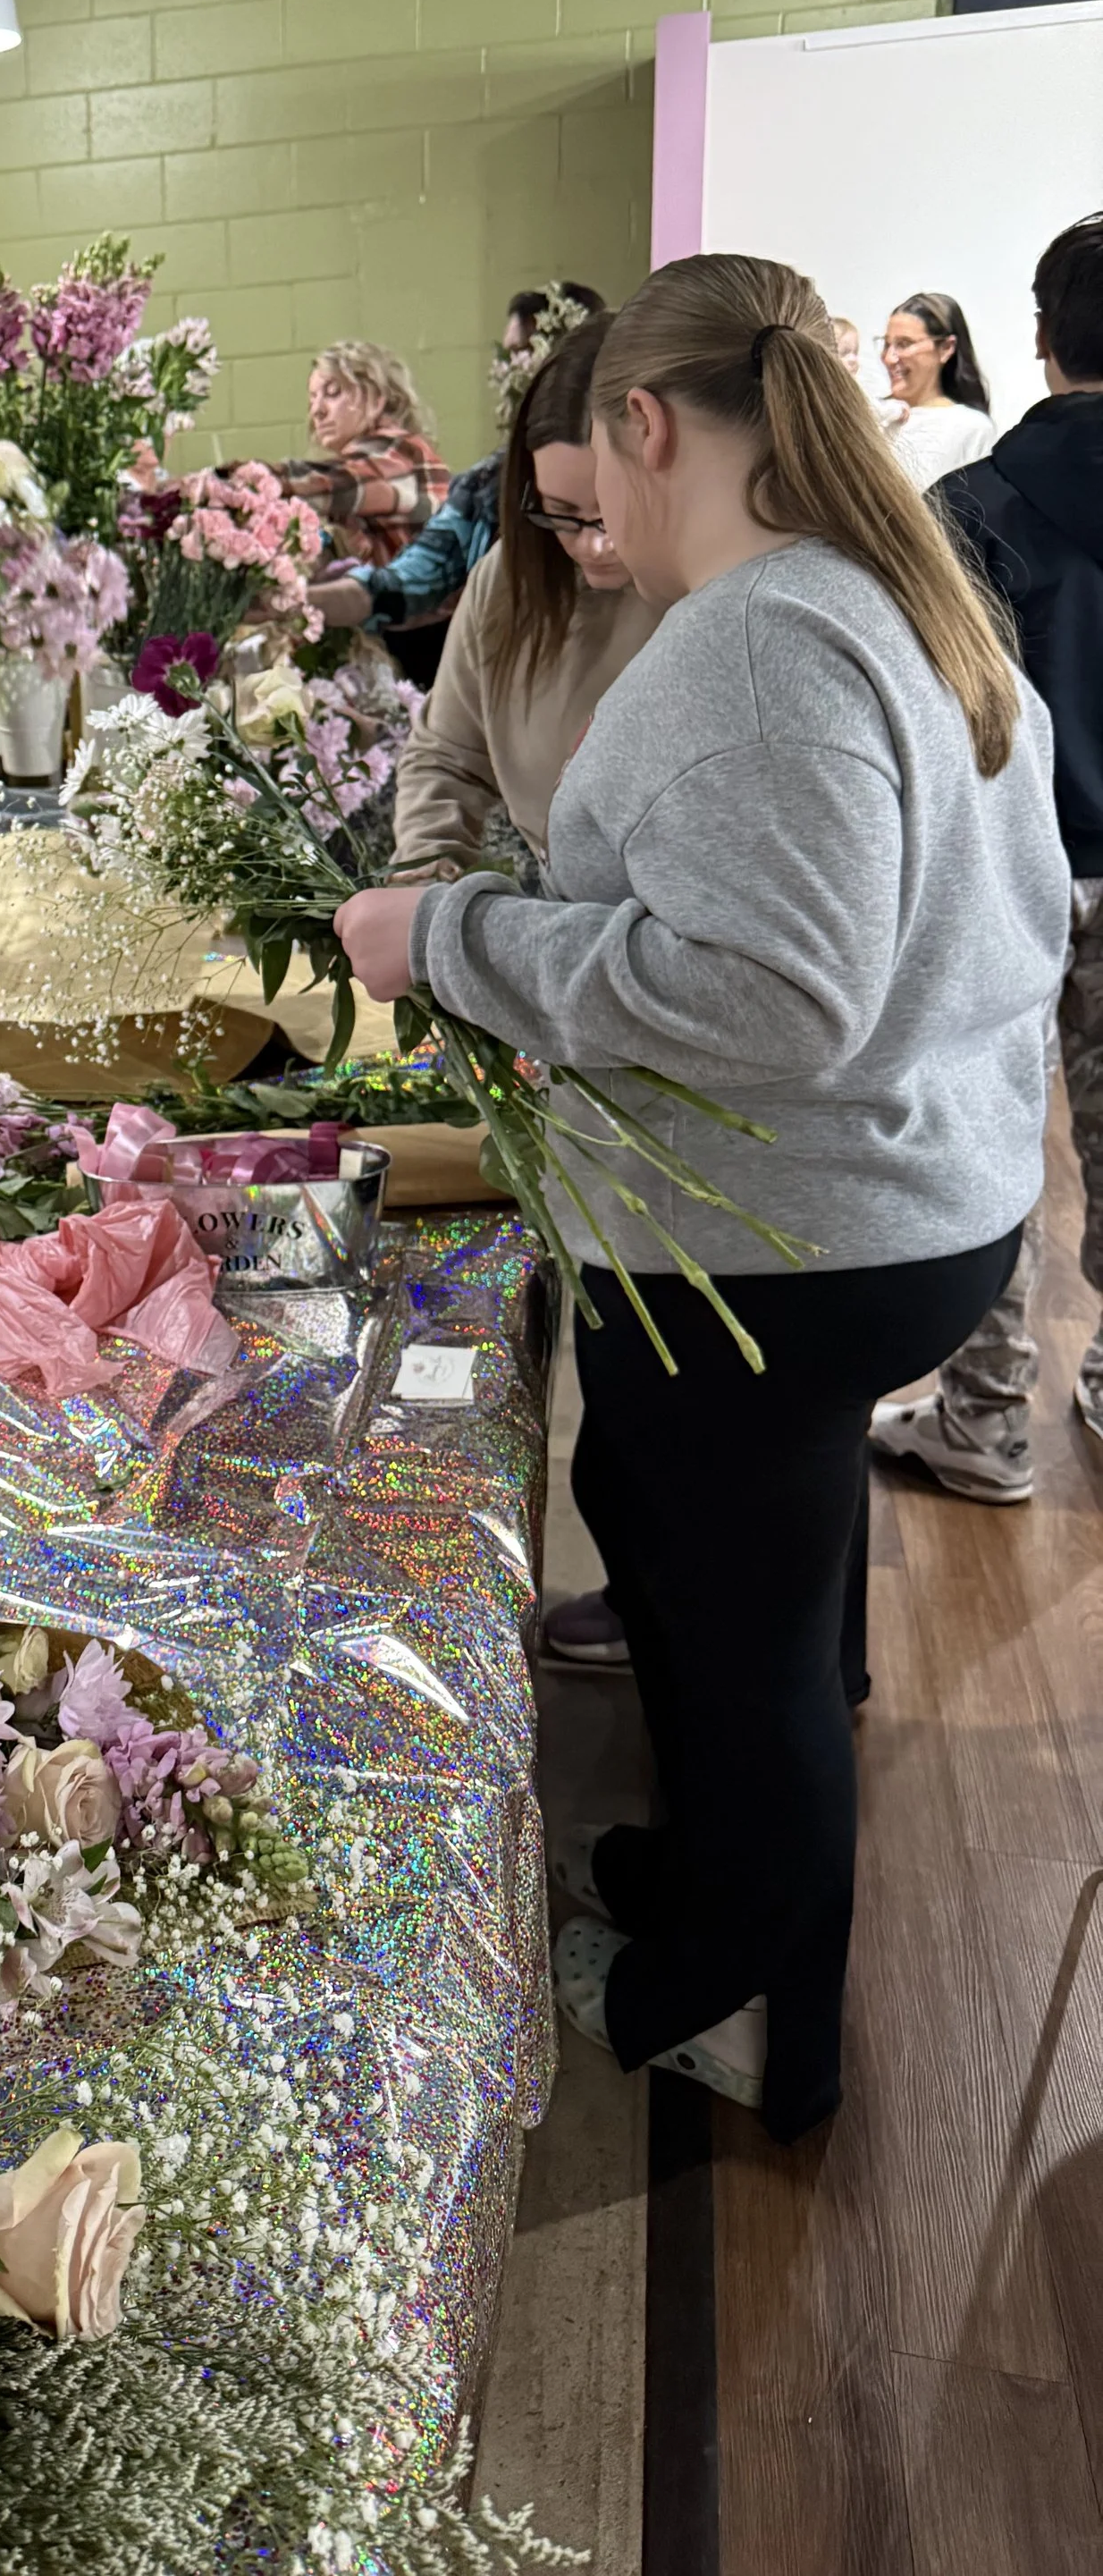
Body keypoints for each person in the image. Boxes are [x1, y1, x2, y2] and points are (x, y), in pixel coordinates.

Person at [334, 253, 1066, 2141]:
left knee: (741, 1657)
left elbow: (767, 991)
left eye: (594, 488)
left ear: (643, 428)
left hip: (780, 1237)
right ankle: (731, 1924)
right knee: (732, 1583)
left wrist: (453, 936)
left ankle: (723, 2007)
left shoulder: (760, 632)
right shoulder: (900, 588)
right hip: (898, 1210)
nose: (593, 536)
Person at [873, 211, 1103, 1499]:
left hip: (1015, 872)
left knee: (1002, 1142)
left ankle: (988, 1418)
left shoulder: (971, 506)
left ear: (1034, 334)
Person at [390, 310, 653, 883]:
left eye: (611, 513)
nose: (594, 544)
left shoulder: (716, 597)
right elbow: (446, 756)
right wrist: (426, 870)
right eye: (562, 516)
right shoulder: (507, 580)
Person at [318, 288, 604, 673]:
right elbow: (413, 577)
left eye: (520, 353)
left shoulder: (648, 475)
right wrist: (300, 601)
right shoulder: (487, 485)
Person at [879, 289, 996, 486]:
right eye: (886, 344)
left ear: (946, 348)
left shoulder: (971, 429)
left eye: (904, 344)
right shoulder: (871, 415)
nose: (889, 358)